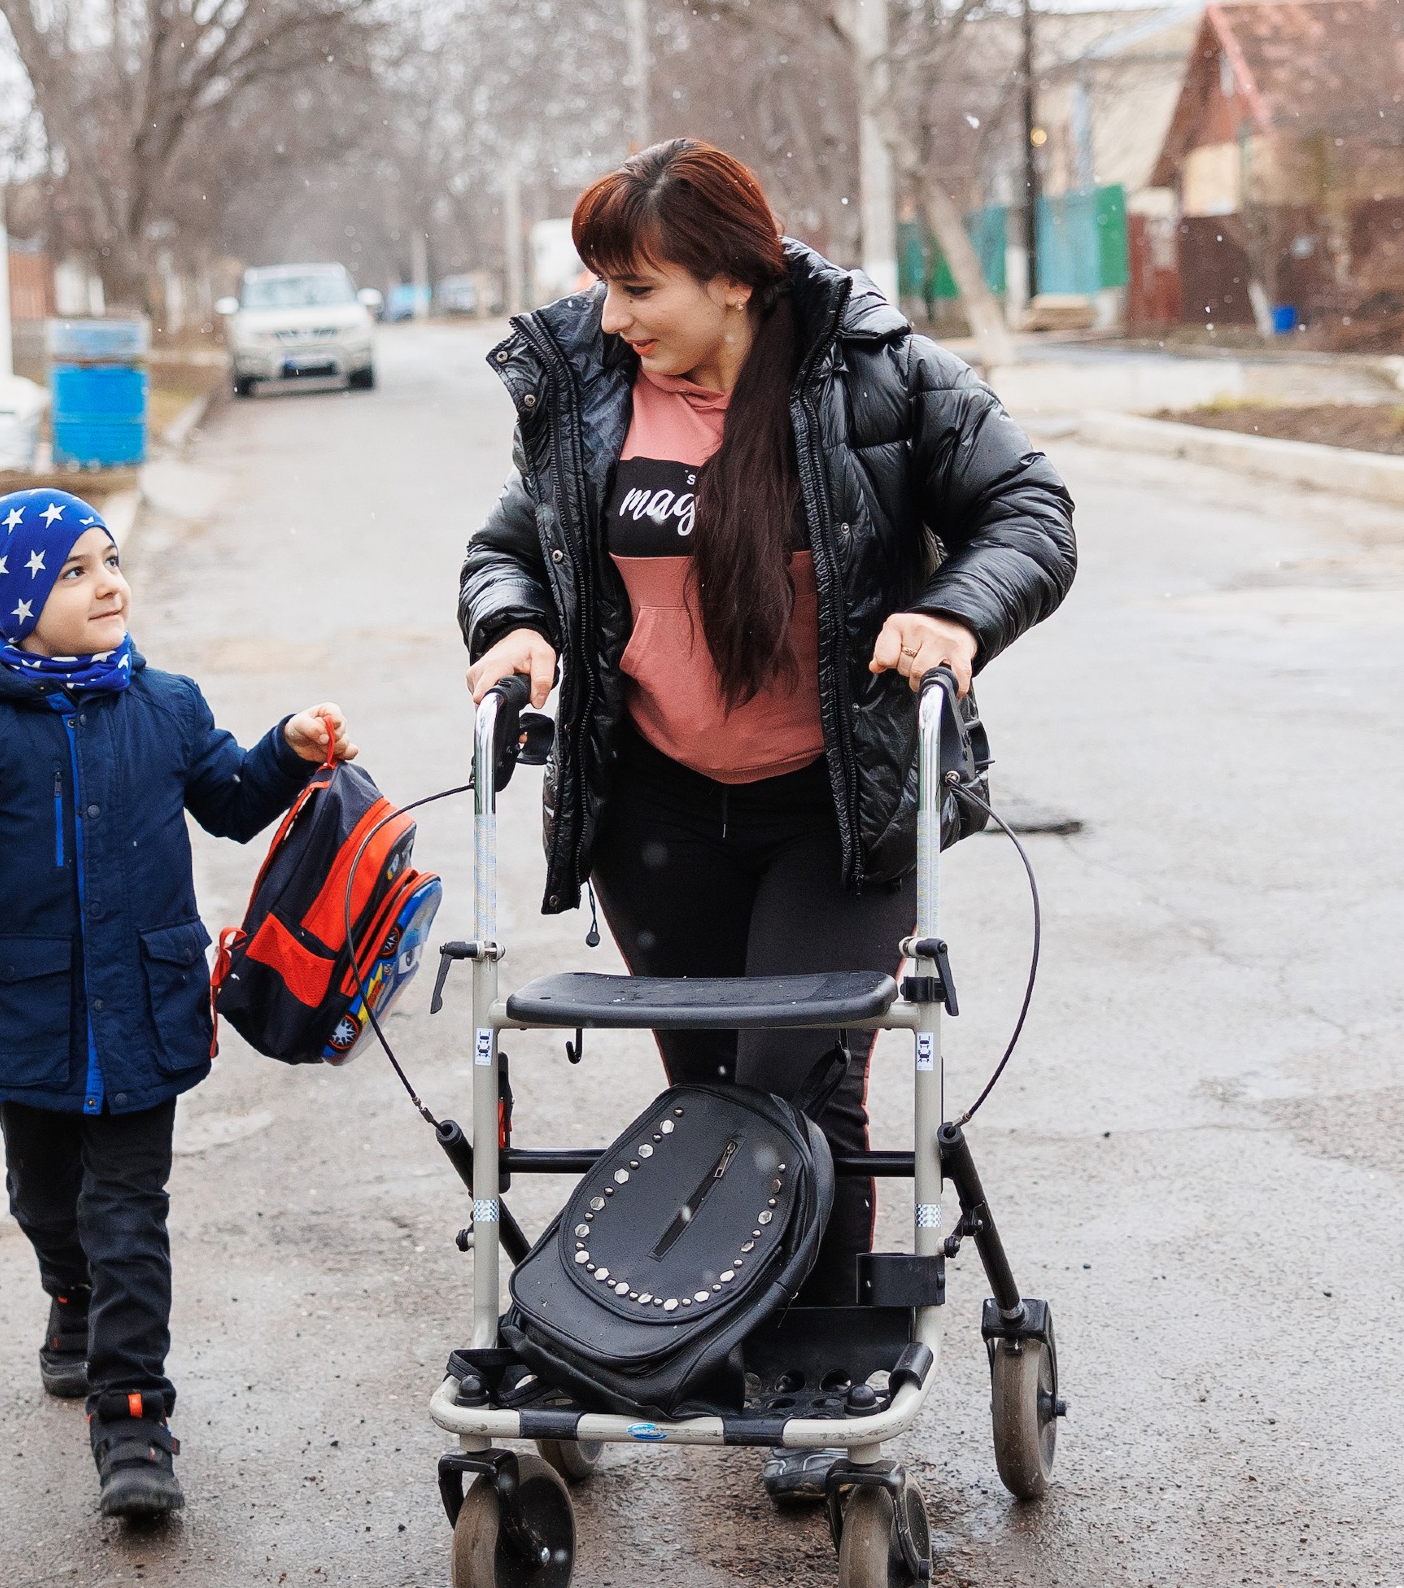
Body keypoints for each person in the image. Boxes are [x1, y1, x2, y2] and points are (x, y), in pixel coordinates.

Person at [457, 138, 1076, 1501]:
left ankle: (812, 1365)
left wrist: (952, 610)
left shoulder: (879, 374)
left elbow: (1029, 508)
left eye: (638, 286)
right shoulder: (586, 391)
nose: (613, 316)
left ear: (734, 281)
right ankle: (691, 1334)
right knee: (706, 1088)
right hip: (656, 802)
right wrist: (507, 625)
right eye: (602, 287)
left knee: (795, 1079)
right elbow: (511, 542)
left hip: (833, 803)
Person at [0, 484, 355, 1521]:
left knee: (126, 1214)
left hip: (144, 1007)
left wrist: (287, 748)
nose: (107, 583)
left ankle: (132, 1416)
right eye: (73, 571)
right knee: (47, 1204)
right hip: (26, 1015)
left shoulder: (166, 705)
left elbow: (228, 802)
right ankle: (68, 1295)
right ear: (13, 603)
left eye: (109, 560)